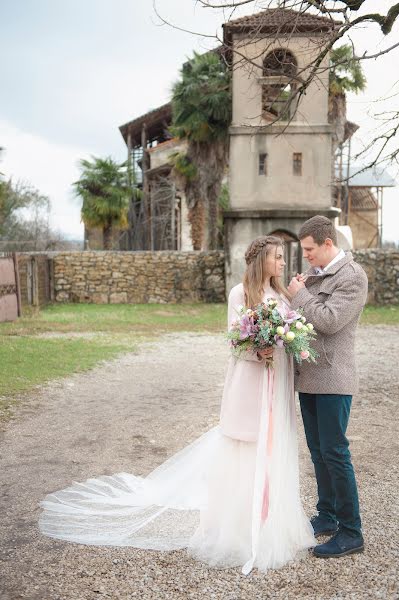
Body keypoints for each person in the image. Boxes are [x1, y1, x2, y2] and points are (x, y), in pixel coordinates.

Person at [39, 235, 315, 575]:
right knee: (246, 450)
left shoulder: (281, 295)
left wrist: (289, 336)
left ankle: (274, 523)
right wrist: (259, 350)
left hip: (276, 388)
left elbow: (293, 332)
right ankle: (239, 528)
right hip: (250, 384)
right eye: (277, 257)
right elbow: (235, 343)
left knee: (274, 449)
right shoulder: (240, 294)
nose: (283, 262)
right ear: (262, 261)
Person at [287, 215, 368, 558]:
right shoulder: (318, 275)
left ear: (327, 244)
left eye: (309, 249)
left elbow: (330, 322)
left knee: (336, 453)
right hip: (309, 377)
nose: (305, 255)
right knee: (318, 452)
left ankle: (352, 532)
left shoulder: (352, 276)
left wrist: (301, 294)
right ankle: (327, 516)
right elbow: (303, 318)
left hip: (334, 377)